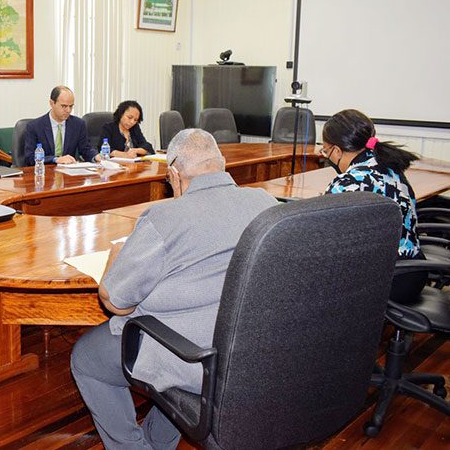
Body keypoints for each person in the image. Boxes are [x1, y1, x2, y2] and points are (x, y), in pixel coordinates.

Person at [70, 129, 277, 449]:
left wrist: (115, 258)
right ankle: (155, 442)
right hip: (247, 348)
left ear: (173, 174)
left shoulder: (164, 217)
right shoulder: (266, 204)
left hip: (191, 356)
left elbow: (116, 301)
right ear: (222, 164)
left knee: (86, 359)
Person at [321, 109, 421, 260]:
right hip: (410, 263)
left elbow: (322, 235)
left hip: (383, 273)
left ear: (336, 151)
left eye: (325, 151)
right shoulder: (389, 165)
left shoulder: (347, 183)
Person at [23, 86, 100, 166]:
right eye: (64, 106)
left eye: (71, 106)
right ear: (52, 103)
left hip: (68, 173)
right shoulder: (35, 126)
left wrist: (96, 157)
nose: (68, 110)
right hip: (44, 172)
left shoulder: (78, 124)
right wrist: (55, 159)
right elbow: (30, 157)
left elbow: (85, 149)